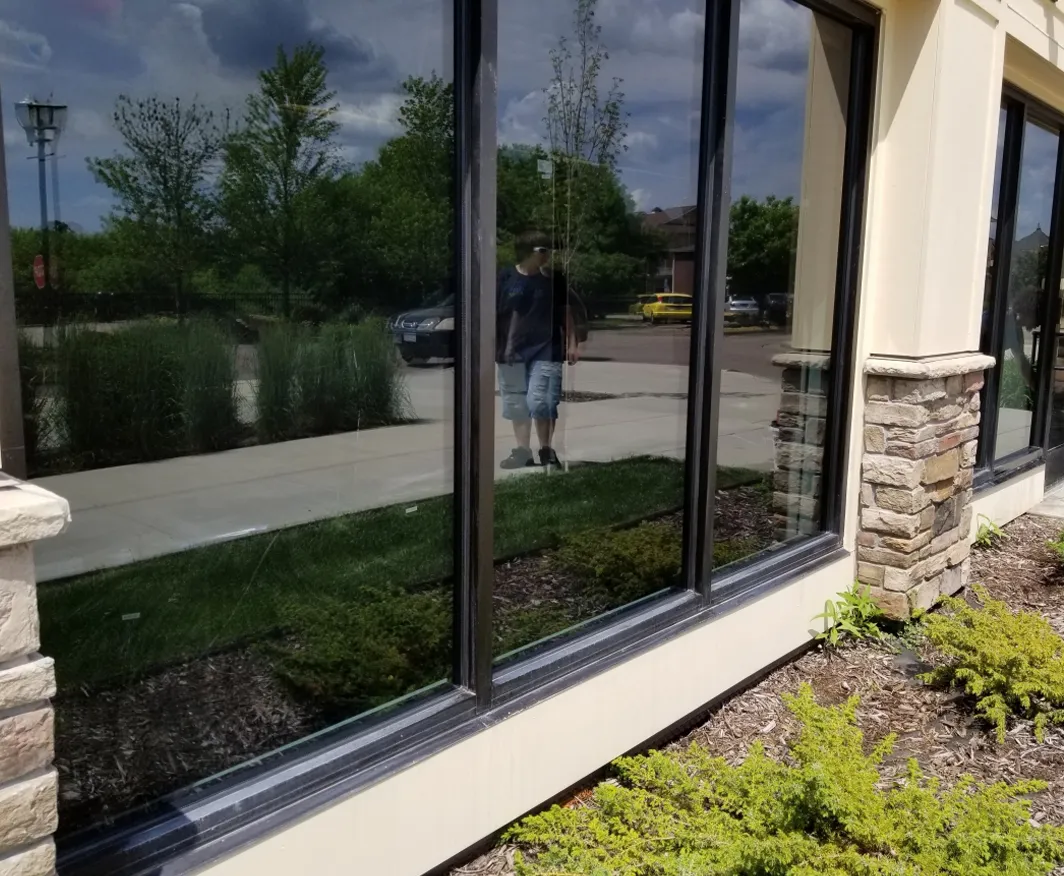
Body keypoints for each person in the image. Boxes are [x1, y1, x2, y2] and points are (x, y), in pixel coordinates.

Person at [497, 231, 580, 469]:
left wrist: (572, 342)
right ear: (528, 252)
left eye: (548, 250)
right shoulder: (505, 277)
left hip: (546, 347)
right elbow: (496, 312)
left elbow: (566, 311)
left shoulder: (553, 279)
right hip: (511, 349)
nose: (548, 255)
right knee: (516, 402)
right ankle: (523, 451)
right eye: (543, 250)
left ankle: (546, 450)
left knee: (541, 400)